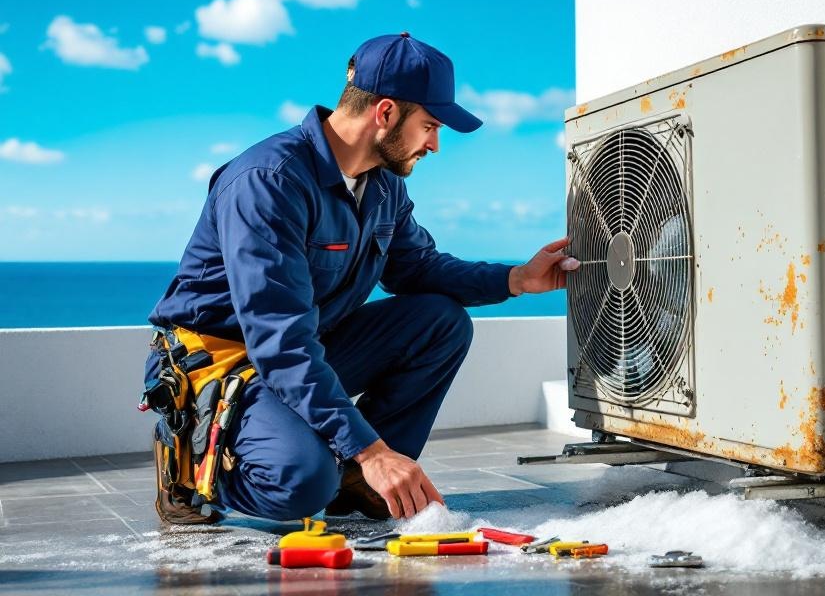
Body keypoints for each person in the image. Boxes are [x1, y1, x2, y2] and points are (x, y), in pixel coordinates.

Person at [144, 32, 579, 525]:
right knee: (302, 481)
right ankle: (188, 469)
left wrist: (517, 279)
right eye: (430, 125)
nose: (435, 144)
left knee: (440, 321)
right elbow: (280, 343)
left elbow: (418, 269)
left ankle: (353, 481)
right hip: (221, 367)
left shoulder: (384, 185)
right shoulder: (269, 181)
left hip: (300, 350)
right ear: (386, 113)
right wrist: (372, 450)